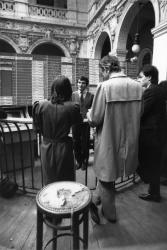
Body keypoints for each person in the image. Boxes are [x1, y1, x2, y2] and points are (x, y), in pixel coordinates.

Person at [87, 54, 143, 224]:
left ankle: (110, 213)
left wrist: (89, 113)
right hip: (129, 141)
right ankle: (96, 199)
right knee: (109, 174)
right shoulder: (138, 86)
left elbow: (95, 119)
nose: (101, 75)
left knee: (106, 176)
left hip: (108, 141)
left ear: (106, 68)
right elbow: (139, 114)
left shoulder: (104, 87)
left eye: (101, 71)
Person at [33, 76, 82, 185]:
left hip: (46, 147)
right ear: (68, 90)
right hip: (64, 149)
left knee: (49, 180)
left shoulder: (40, 106)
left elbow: (37, 129)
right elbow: (78, 129)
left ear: (52, 88)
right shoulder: (73, 107)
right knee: (66, 181)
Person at [137, 65, 166, 202]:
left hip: (150, 135)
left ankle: (152, 191)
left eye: (141, 77)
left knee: (148, 164)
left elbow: (141, 113)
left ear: (149, 77)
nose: (139, 79)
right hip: (158, 134)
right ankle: (153, 193)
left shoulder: (150, 91)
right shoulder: (159, 90)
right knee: (154, 164)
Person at [72, 76, 94, 170]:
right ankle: (78, 160)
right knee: (75, 141)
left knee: (85, 142)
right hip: (75, 122)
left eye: (83, 83)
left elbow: (92, 109)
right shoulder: (73, 95)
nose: (81, 85)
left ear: (87, 85)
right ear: (77, 83)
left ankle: (85, 161)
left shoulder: (91, 96)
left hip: (85, 123)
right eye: (79, 82)